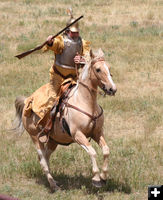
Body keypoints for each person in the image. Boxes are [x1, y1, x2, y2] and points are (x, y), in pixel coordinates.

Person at [24, 11, 91, 142]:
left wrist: (82, 59)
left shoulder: (82, 43)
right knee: (52, 100)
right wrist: (50, 42)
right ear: (67, 32)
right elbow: (55, 45)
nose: (75, 34)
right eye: (73, 32)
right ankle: (46, 128)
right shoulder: (61, 41)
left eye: (77, 32)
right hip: (58, 78)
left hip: (74, 78)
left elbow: (88, 57)